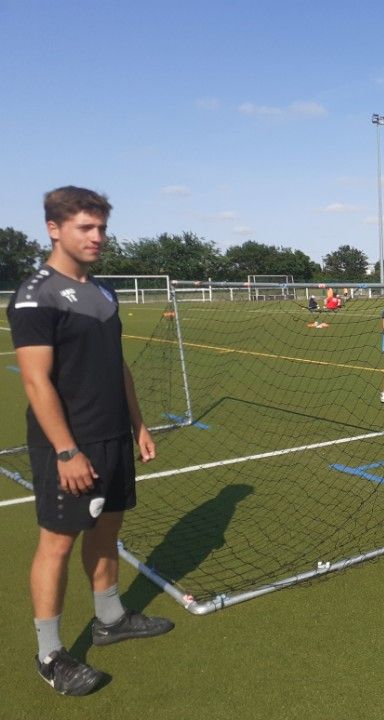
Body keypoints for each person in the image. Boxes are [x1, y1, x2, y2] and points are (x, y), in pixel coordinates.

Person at [6, 187, 174, 697]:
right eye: (86, 227)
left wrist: (138, 424)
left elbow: (116, 363)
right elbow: (36, 381)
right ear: (54, 229)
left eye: (101, 227)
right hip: (69, 444)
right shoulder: (37, 295)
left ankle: (110, 619)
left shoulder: (104, 293)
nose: (98, 237)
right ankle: (50, 654)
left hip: (113, 436)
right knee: (57, 544)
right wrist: (65, 450)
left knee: (107, 530)